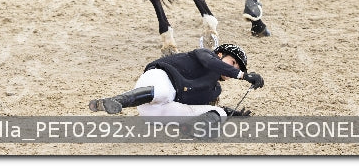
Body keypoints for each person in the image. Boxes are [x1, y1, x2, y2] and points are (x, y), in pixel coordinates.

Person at [88, 43, 264, 118]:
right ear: (220, 54)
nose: (234, 69)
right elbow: (211, 63)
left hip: (156, 113)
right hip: (159, 79)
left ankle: (199, 130)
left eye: (238, 68)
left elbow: (198, 106)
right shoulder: (206, 54)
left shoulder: (214, 89)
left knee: (218, 112)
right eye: (233, 63)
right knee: (164, 92)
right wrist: (242, 75)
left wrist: (231, 113)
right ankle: (117, 101)